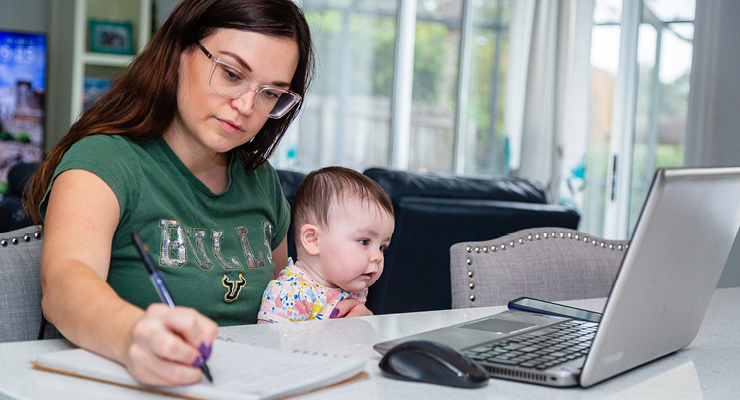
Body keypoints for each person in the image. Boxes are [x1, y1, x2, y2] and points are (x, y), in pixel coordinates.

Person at [24, 0, 370, 387]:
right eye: (231, 73)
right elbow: (65, 283)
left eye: (271, 93)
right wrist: (134, 336)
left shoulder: (261, 181)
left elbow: (288, 298)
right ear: (179, 50)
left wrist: (336, 317)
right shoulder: (105, 160)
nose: (246, 107)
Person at [258, 167, 394, 323]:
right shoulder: (291, 294)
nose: (378, 256)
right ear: (313, 240)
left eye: (382, 247)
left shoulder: (353, 288)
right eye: (364, 242)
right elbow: (267, 343)